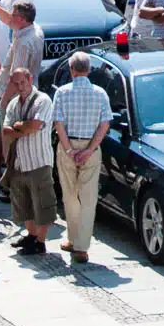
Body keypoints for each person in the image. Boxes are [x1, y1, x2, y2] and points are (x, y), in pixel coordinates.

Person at [52, 51, 112, 263]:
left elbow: (58, 123)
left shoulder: (62, 92)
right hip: (90, 147)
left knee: (69, 195)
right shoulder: (100, 94)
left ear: (71, 69)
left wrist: (69, 150)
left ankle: (72, 238)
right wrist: (89, 150)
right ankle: (82, 247)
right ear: (89, 70)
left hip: (68, 145)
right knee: (88, 198)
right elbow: (105, 124)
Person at [0, 65, 56, 256]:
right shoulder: (14, 104)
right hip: (20, 162)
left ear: (30, 79)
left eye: (23, 82)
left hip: (39, 160)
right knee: (23, 203)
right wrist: (22, 128)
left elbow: (36, 126)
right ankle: (31, 236)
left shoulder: (43, 100)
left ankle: (40, 241)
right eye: (16, 84)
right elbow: (5, 130)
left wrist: (19, 127)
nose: (20, 86)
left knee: (42, 204)